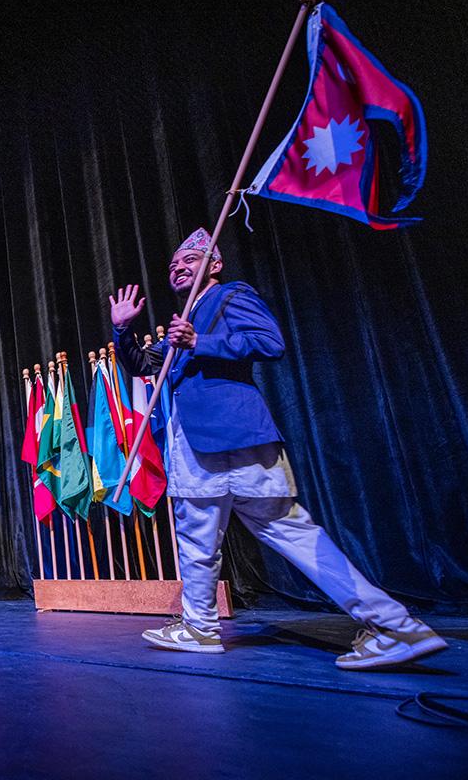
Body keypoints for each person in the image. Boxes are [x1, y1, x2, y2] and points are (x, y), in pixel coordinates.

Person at [107, 227, 447, 670]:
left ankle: (392, 625)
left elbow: (269, 342)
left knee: (287, 530)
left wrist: (200, 342)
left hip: (236, 434)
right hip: (193, 443)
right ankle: (199, 627)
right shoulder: (179, 326)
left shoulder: (230, 296)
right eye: (172, 266)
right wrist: (122, 331)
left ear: (214, 264)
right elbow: (142, 366)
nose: (177, 268)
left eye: (188, 261)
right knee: (197, 537)